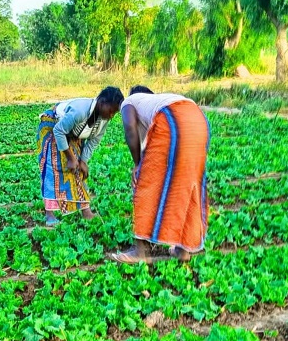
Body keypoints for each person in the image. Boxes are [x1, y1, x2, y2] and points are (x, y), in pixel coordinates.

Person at [110, 85, 210, 264]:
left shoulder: (130, 102)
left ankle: (140, 251)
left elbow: (130, 129)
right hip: (199, 120)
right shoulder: (158, 102)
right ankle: (183, 249)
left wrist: (138, 164)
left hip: (173, 120)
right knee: (189, 184)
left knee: (145, 183)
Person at [38, 87, 125, 226]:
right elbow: (59, 131)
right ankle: (49, 214)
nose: (111, 115)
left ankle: (86, 210)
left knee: (79, 169)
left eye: (115, 112)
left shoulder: (103, 119)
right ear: (102, 102)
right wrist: (71, 158)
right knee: (54, 166)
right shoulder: (80, 111)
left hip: (72, 132)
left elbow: (94, 141)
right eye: (111, 110)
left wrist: (83, 160)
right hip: (53, 126)